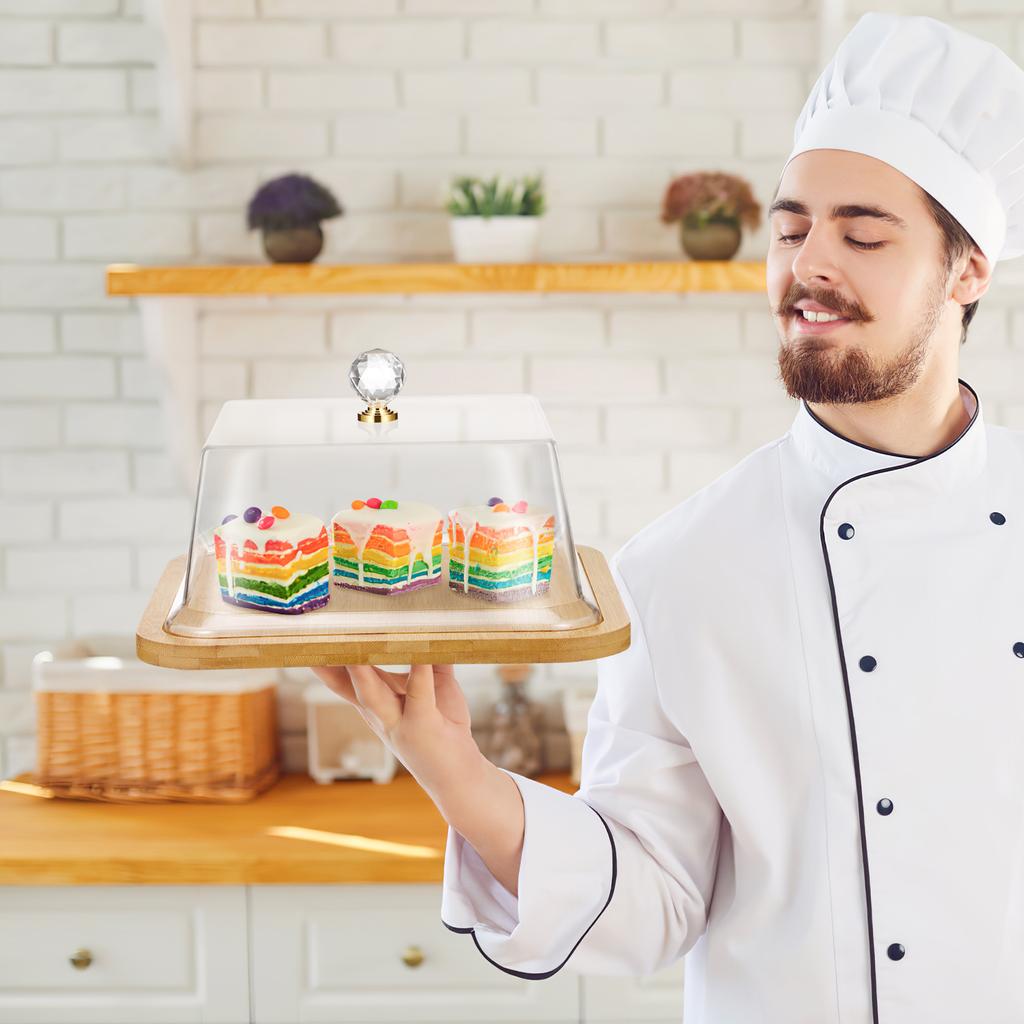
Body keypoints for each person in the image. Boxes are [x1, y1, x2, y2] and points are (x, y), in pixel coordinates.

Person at [314, 12, 1024, 1023]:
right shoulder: (684, 564)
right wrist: (452, 768)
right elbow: (651, 896)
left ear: (966, 271)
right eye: (789, 229)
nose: (808, 263)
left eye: (861, 232)